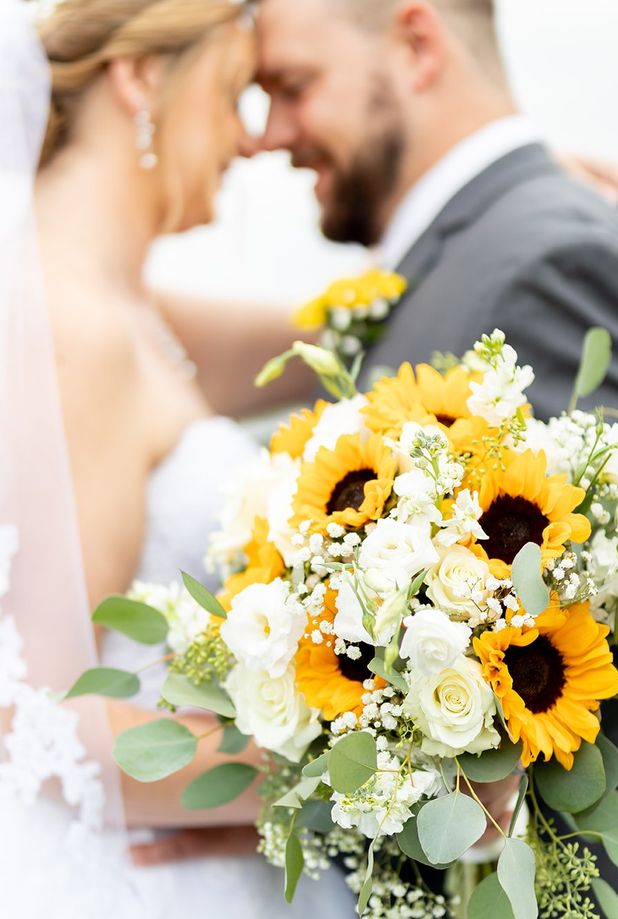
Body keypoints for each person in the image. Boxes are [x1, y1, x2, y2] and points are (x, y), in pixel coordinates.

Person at [251, 0, 618, 914]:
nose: (270, 132)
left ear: (418, 44)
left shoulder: (552, 259)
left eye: (293, 86)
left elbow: (585, 639)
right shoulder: (471, 256)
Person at [0, 1, 353, 916]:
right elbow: (31, 722)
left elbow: (324, 327)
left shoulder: (119, 306)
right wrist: (364, 768)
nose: (249, 143)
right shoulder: (77, 334)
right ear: (140, 76)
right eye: (235, 94)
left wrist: (495, 205)